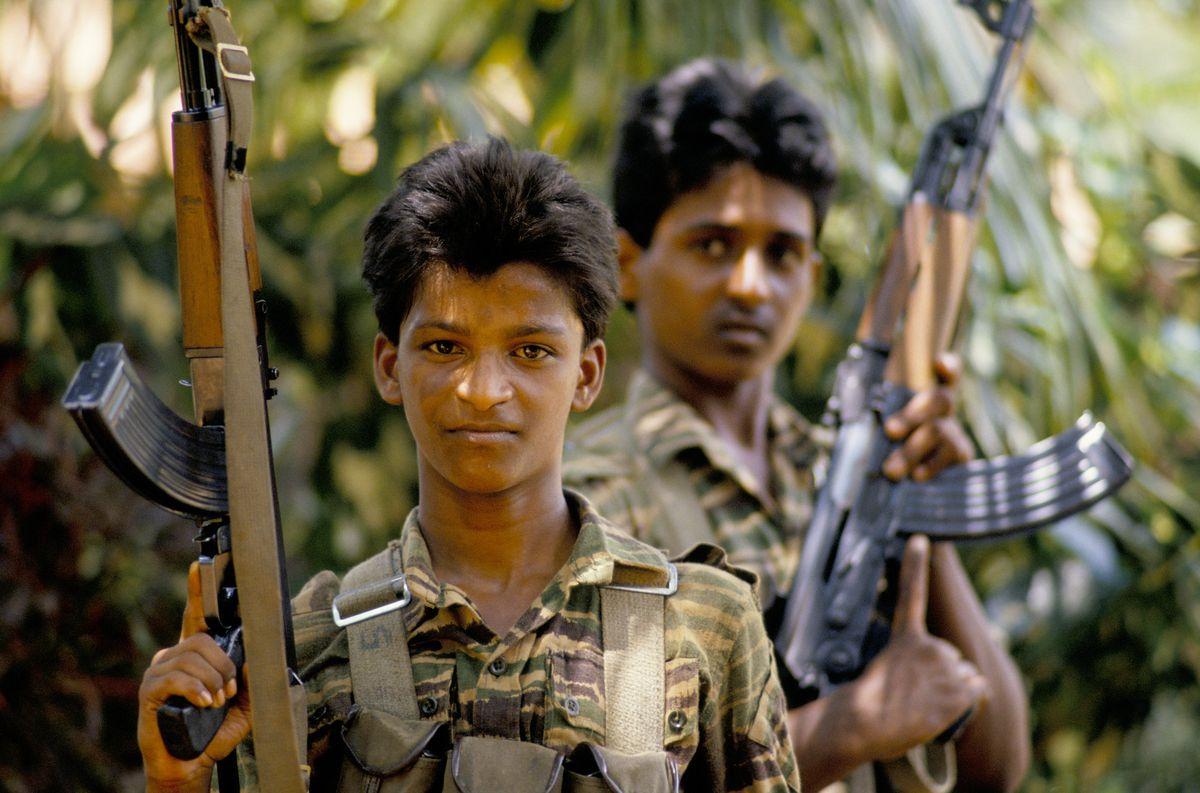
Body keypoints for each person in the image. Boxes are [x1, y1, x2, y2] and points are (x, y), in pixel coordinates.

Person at [135, 138, 801, 792]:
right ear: (390, 366)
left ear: (587, 373)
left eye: (531, 351)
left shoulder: (704, 625)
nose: (483, 389)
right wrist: (177, 781)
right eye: (446, 345)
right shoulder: (308, 649)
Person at [563, 59, 1031, 792]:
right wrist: (851, 724)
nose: (750, 284)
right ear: (626, 264)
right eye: (712, 243)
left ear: (813, 276)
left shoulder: (838, 470)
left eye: (781, 252)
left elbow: (996, 767)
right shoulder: (586, 504)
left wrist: (922, 526)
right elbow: (617, 779)